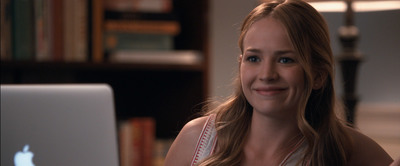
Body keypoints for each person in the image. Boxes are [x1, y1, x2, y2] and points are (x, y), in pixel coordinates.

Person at [164, 0, 394, 165]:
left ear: (318, 75)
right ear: (241, 64)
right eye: (254, 58)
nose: (267, 74)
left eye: (285, 59)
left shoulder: (348, 149)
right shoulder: (196, 140)